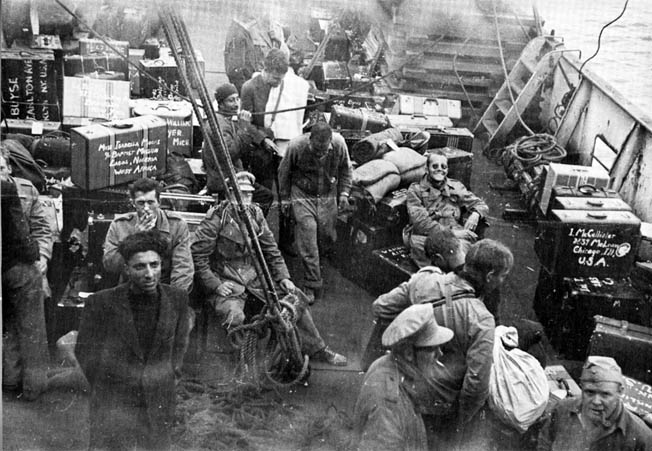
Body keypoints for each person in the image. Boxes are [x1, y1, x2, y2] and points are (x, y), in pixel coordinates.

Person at [191, 171, 347, 366]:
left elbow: (271, 250)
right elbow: (198, 256)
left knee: (295, 299)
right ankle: (242, 365)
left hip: (255, 279)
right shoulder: (216, 219)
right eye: (240, 193)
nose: (245, 198)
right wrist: (215, 286)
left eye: (248, 194)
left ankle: (317, 348)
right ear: (230, 194)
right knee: (234, 316)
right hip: (226, 280)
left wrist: (284, 277)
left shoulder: (255, 215)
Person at [373, 239, 513, 432]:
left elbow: (381, 307)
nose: (502, 281)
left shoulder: (424, 281)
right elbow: (476, 385)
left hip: (401, 383)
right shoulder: (481, 320)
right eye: (503, 276)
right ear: (489, 276)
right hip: (440, 403)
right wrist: (460, 421)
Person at [76, 230, 191, 450]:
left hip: (158, 400)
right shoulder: (101, 303)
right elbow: (85, 353)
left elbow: (179, 347)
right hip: (114, 402)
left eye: (154, 265)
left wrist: (166, 379)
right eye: (140, 267)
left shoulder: (177, 300)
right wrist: (107, 387)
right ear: (126, 269)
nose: (149, 274)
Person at [353, 303, 454, 451]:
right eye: (432, 349)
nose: (440, 354)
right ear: (408, 353)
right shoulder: (388, 405)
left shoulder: (388, 364)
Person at [277, 121, 353, 303]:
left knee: (326, 235)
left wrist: (344, 193)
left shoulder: (339, 144)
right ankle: (311, 283)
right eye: (316, 149)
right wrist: (285, 198)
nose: (320, 153)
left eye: (323, 150)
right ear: (309, 140)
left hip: (327, 195)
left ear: (330, 142)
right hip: (303, 195)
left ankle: (318, 263)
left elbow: (346, 169)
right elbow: (283, 172)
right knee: (308, 234)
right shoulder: (296, 146)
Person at [1, 176, 50, 400]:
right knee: (32, 327)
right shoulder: (6, 187)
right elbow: (21, 235)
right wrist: (35, 253)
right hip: (14, 267)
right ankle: (34, 387)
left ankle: (10, 380)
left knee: (10, 323)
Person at [537, 356, 652, 451]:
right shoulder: (562, 409)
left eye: (605, 394)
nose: (596, 401)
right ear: (581, 388)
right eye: (589, 392)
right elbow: (544, 444)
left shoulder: (641, 437)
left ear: (620, 391)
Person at [103, 177, 194, 292]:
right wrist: (134, 238)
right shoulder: (119, 225)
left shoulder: (176, 225)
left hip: (165, 288)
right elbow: (111, 266)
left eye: (151, 202)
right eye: (141, 203)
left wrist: (173, 299)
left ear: (159, 203)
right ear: (133, 203)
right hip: (131, 288)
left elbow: (183, 269)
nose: (146, 208)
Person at [404, 149, 489, 268]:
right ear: (427, 169)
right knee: (422, 249)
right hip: (427, 236)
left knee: (466, 255)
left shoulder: (455, 186)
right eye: (435, 166)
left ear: (447, 170)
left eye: (443, 166)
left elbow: (481, 204)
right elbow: (421, 223)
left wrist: (475, 214)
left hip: (456, 236)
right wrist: (453, 234)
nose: (440, 169)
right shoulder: (415, 190)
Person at [203, 82, 274, 215]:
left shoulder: (225, 120)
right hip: (223, 181)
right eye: (231, 100)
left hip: (229, 175)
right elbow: (229, 153)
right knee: (266, 196)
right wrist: (244, 128)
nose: (236, 104)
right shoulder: (220, 123)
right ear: (221, 103)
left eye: (237, 99)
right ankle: (252, 224)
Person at [239, 48, 289, 190]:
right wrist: (263, 139)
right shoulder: (249, 88)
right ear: (265, 70)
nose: (278, 83)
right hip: (259, 149)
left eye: (281, 79)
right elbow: (246, 123)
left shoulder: (282, 86)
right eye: (275, 78)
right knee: (262, 187)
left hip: (279, 143)